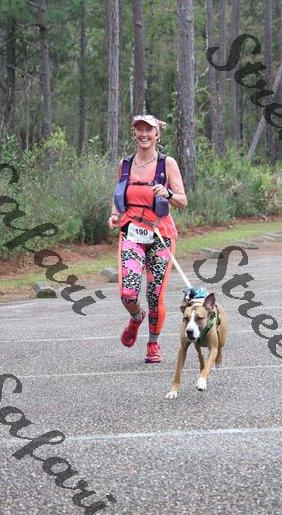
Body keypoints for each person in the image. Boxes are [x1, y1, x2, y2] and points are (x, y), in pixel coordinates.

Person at [108, 114, 187, 363]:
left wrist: (168, 193)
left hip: (160, 235)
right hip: (132, 232)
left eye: (148, 130)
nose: (144, 134)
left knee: (155, 295)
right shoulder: (125, 163)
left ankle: (153, 344)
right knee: (128, 293)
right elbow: (118, 193)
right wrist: (114, 214)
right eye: (139, 129)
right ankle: (136, 318)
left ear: (157, 134)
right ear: (134, 133)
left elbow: (183, 201)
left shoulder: (167, 163)